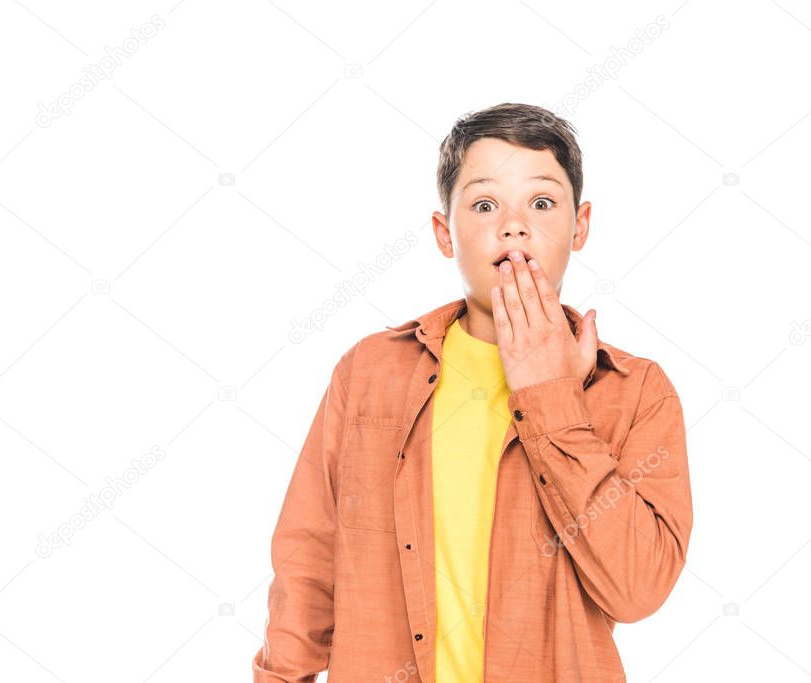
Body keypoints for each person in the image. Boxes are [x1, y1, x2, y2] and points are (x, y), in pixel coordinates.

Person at [252, 102, 693, 682]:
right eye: (485, 205)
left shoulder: (637, 391)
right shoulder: (369, 372)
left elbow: (637, 590)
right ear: (444, 232)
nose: (515, 225)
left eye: (542, 202)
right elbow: (309, 558)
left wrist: (553, 395)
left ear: (580, 225)